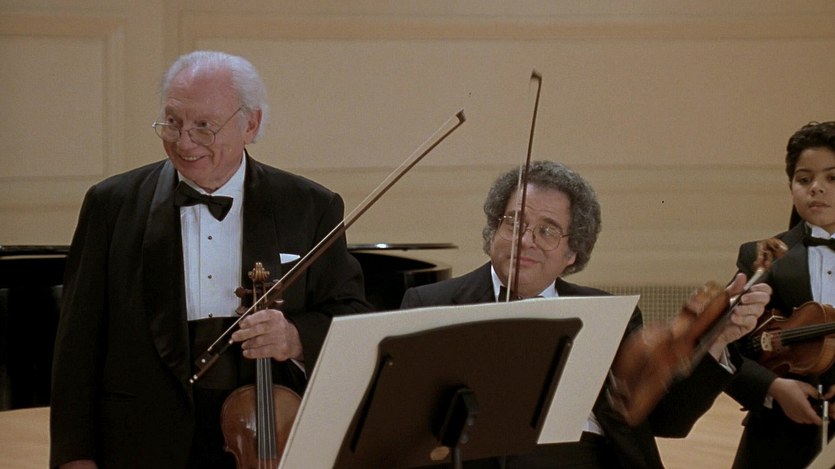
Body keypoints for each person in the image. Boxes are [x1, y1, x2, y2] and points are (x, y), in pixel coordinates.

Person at [49, 50, 371, 468]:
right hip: (139, 441)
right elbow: (77, 343)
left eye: (204, 126)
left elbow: (351, 317)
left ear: (250, 124)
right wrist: (74, 456)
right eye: (173, 122)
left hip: (261, 435)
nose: (184, 142)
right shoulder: (110, 204)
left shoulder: (311, 206)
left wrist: (293, 336)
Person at [401, 160, 772, 469]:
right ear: (493, 229)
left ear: (572, 253)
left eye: (547, 231)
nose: (525, 241)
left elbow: (668, 422)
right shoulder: (430, 303)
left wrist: (717, 340)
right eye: (514, 222)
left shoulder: (610, 316)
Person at [725, 121, 835, 469]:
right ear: (791, 186)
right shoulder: (761, 256)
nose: (816, 188)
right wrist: (772, 388)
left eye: (832, 178)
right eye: (804, 179)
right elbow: (725, 347)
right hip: (777, 437)